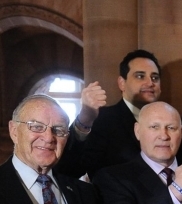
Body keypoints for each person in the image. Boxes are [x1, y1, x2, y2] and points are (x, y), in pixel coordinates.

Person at [58, 49, 162, 179]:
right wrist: (85, 119)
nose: (150, 83)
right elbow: (70, 168)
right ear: (122, 83)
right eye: (140, 76)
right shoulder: (103, 119)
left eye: (155, 78)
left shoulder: (169, 122)